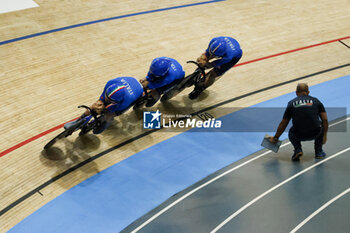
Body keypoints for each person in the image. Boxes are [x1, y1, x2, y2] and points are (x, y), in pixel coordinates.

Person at [269, 83, 328, 161]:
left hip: (299, 134)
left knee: (291, 132)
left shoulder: (291, 103)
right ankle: (319, 152)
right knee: (321, 124)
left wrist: (276, 137)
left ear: (296, 93)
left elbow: (284, 123)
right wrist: (325, 135)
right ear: (308, 92)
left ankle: (298, 150)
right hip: (315, 133)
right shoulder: (316, 101)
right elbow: (325, 120)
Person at [64, 77, 144, 134]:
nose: (107, 100)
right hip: (130, 80)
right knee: (96, 105)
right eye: (107, 96)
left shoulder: (126, 100)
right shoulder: (110, 83)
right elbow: (101, 100)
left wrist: (105, 110)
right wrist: (98, 106)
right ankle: (79, 120)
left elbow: (114, 110)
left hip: (137, 92)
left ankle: (103, 126)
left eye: (110, 100)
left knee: (109, 115)